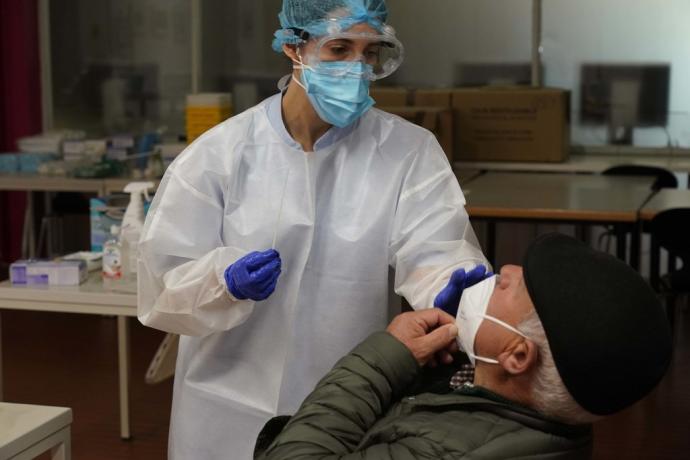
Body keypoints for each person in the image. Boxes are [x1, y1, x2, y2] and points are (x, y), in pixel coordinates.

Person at [137, 1, 488, 458]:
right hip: (224, 401)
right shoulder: (220, 154)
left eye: (370, 53)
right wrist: (222, 282)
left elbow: (437, 248)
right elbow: (163, 284)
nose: (357, 69)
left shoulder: (407, 151)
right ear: (292, 47)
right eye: (339, 49)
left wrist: (453, 289)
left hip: (346, 391)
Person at [256, 233, 673, 459]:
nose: (506, 270)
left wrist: (386, 358)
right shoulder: (543, 421)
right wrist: (438, 371)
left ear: (516, 355)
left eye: (520, 286)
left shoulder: (442, 451)